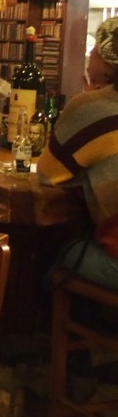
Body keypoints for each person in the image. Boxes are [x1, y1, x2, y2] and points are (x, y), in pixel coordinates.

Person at [41, 16, 118, 292]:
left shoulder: (92, 106)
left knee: (56, 252)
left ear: (108, 63)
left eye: (95, 47)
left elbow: (48, 174)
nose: (90, 53)